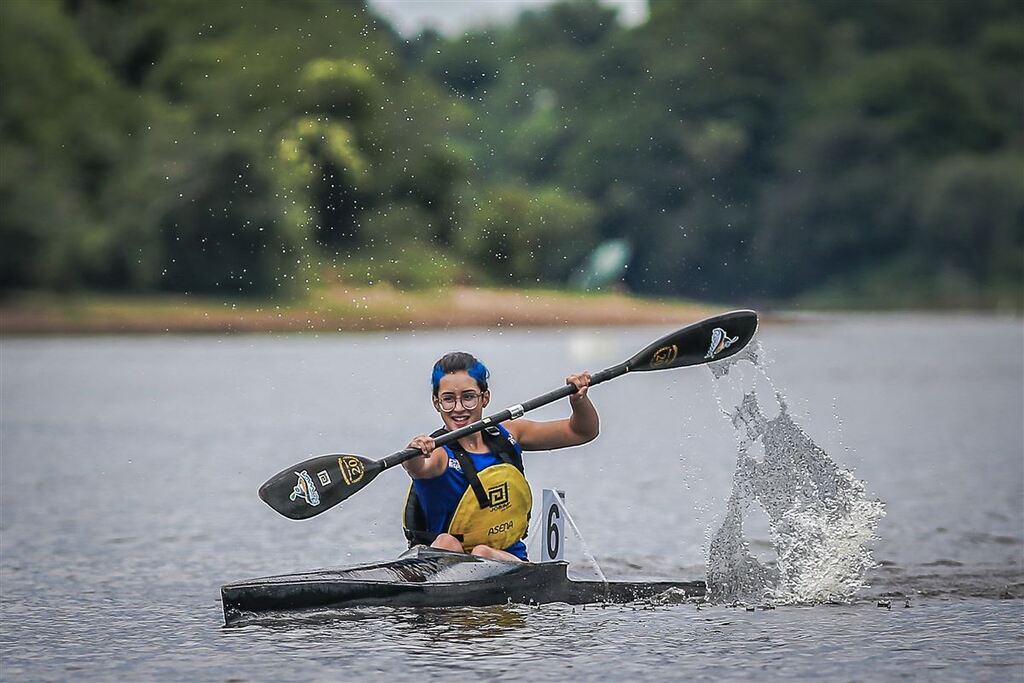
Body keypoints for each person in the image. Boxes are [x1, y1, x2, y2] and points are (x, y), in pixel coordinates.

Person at [403, 351, 598, 562]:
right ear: (436, 402)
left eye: (468, 397)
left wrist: (579, 400)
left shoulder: (508, 435)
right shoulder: (438, 454)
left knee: (482, 552)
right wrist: (414, 451)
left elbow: (581, 432)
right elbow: (417, 467)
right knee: (446, 542)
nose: (458, 408)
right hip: (445, 566)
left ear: (485, 398)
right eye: (448, 399)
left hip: (507, 563)